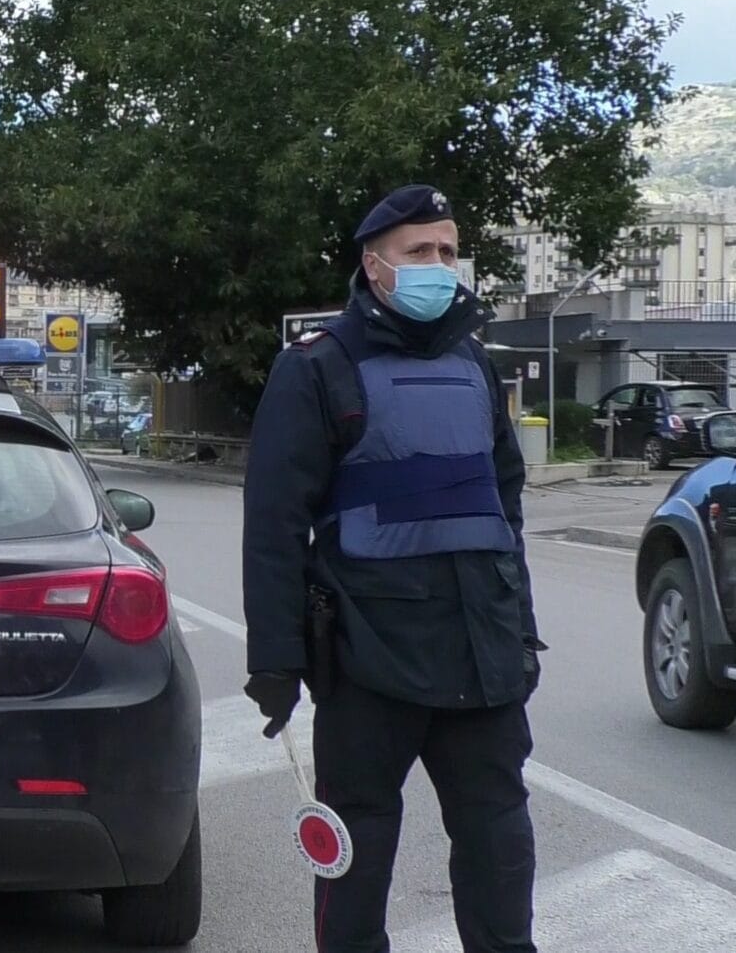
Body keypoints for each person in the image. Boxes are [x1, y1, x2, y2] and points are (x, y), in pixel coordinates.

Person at [241, 185, 544, 953]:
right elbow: (275, 526)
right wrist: (275, 659)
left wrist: (521, 630)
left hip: (483, 655)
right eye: (420, 252)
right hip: (371, 657)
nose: (439, 265)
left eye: (448, 250)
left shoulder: (475, 364)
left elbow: (502, 512)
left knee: (500, 846)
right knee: (359, 856)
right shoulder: (318, 368)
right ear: (375, 266)